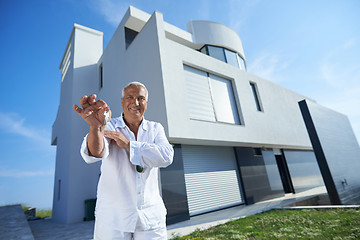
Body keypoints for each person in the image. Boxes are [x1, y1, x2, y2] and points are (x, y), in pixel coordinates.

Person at [73, 82, 174, 240]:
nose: (135, 103)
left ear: (146, 103)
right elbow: (95, 153)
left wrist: (129, 145)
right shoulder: (109, 125)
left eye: (141, 98)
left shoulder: (155, 128)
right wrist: (95, 128)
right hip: (113, 218)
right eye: (130, 97)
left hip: (151, 217)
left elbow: (167, 156)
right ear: (122, 102)